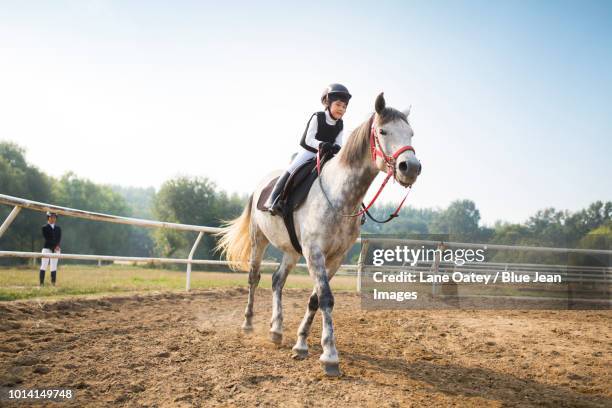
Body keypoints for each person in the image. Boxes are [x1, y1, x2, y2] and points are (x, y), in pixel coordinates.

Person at [264, 83, 352, 215]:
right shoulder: (318, 117)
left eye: (344, 107)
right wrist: (321, 144)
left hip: (326, 156)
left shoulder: (340, 124)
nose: (341, 109)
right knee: (291, 169)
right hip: (309, 152)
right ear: (328, 103)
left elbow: (339, 143)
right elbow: (308, 139)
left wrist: (337, 148)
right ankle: (272, 200)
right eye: (338, 105)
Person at [40, 211, 61, 286]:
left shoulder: (58, 228)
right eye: (51, 217)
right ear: (48, 218)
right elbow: (47, 239)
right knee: (44, 265)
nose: (53, 219)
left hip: (56, 249)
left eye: (54, 217)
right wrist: (54, 246)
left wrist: (57, 246)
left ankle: (53, 284)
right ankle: (41, 284)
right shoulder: (44, 227)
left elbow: (58, 239)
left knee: (53, 266)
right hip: (47, 248)